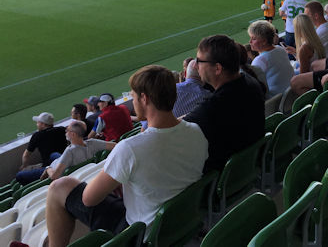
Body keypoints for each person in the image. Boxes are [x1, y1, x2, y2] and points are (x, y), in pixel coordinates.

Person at [45, 65, 209, 246]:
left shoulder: (130, 148)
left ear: (144, 99)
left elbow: (89, 199)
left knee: (59, 187)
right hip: (180, 222)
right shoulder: (196, 132)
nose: (132, 100)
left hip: (143, 235)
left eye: (133, 96)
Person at [184, 35, 265, 171]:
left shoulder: (214, 107)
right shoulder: (251, 82)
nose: (196, 66)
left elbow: (176, 127)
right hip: (247, 170)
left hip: (220, 181)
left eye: (199, 61)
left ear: (217, 68)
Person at [41, 121, 116, 181]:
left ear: (73, 134)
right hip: (63, 162)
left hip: (56, 169)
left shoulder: (70, 152)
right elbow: (116, 145)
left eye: (67, 130)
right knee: (53, 155)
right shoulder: (93, 143)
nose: (66, 131)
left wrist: (48, 168)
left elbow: (54, 176)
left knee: (30, 175)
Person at [16, 112, 68, 185]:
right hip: (62, 163)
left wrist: (24, 166)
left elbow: (26, 155)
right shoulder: (62, 129)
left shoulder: (37, 135)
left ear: (43, 124)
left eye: (38, 122)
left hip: (50, 168)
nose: (36, 124)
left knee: (19, 175)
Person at [248, 21, 294, 98]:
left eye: (254, 39)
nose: (250, 42)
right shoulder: (280, 49)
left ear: (264, 41)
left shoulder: (259, 61)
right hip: (291, 93)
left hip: (276, 101)